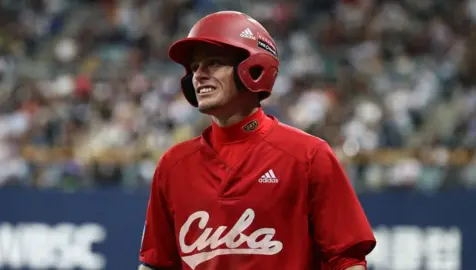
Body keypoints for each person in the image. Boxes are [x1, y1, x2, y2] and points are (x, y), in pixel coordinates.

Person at [138, 11, 376, 270]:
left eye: (214, 63)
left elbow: (347, 260)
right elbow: (156, 264)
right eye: (194, 67)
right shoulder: (173, 165)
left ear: (253, 69)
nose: (198, 75)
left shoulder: (308, 156)